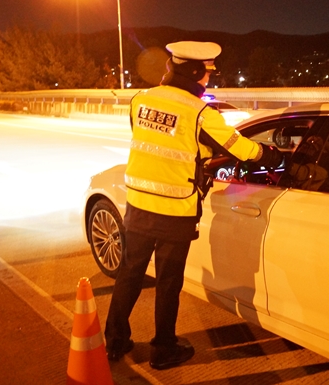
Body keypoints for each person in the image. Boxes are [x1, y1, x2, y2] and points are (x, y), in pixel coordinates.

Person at [104, 41, 283, 370]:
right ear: (198, 72)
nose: (209, 81)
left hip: (139, 203)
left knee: (129, 273)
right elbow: (240, 148)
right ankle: (163, 349)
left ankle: (115, 341)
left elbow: (153, 143)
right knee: (168, 281)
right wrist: (271, 155)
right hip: (176, 209)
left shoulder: (141, 100)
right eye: (208, 74)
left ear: (171, 67)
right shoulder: (200, 112)